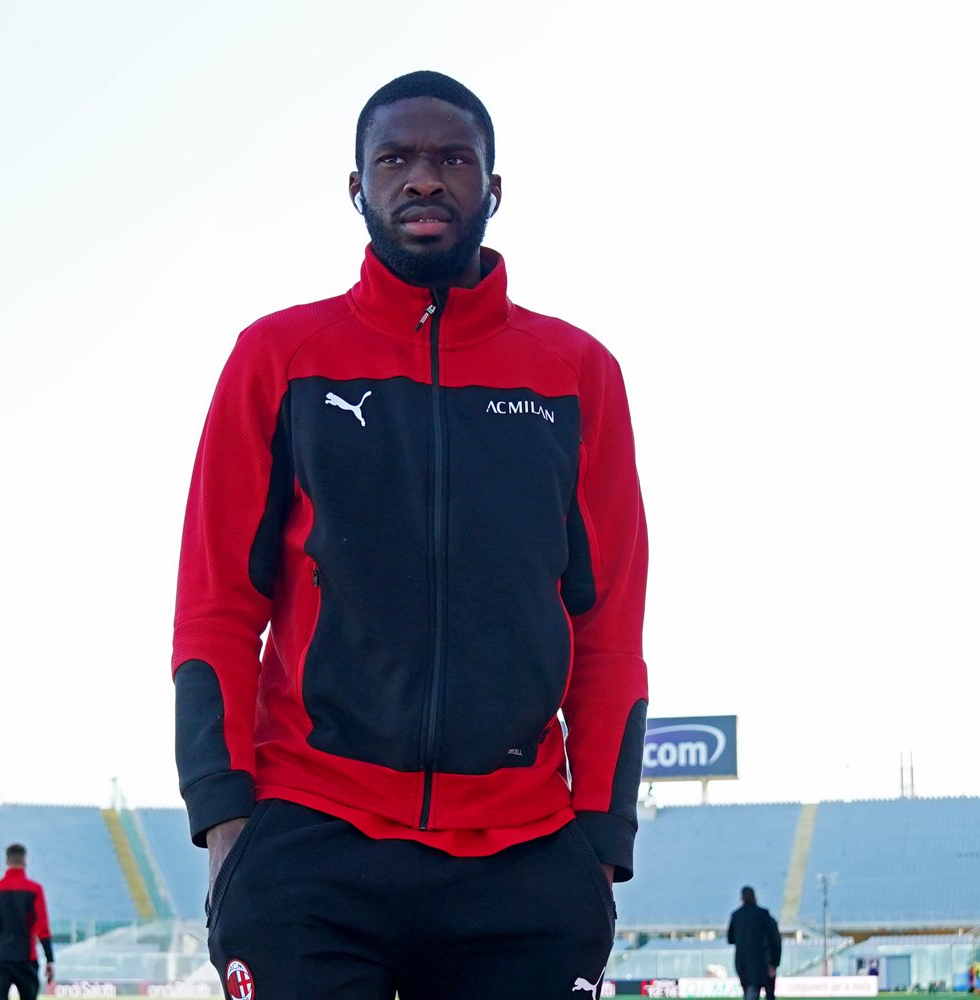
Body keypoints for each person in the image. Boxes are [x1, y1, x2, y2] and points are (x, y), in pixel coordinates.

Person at [172, 69, 650, 1000]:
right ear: (357, 188)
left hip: (522, 855)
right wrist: (224, 816)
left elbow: (609, 627)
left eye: (452, 160)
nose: (424, 178)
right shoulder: (279, 357)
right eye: (394, 160)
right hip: (313, 840)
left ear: (493, 189)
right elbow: (216, 602)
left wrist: (599, 839)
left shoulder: (576, 373)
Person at [0, 843, 54, 1000]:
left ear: (7, 861)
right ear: (25, 861)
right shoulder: (34, 890)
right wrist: (50, 959)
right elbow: (42, 928)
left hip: (0, 957)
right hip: (26, 959)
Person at [727, 887, 782, 1000]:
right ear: (755, 897)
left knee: (750, 992)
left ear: (741, 898)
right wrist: (774, 963)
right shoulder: (764, 914)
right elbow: (774, 940)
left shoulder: (736, 915)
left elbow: (730, 939)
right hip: (764, 962)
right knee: (769, 993)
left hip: (743, 963)